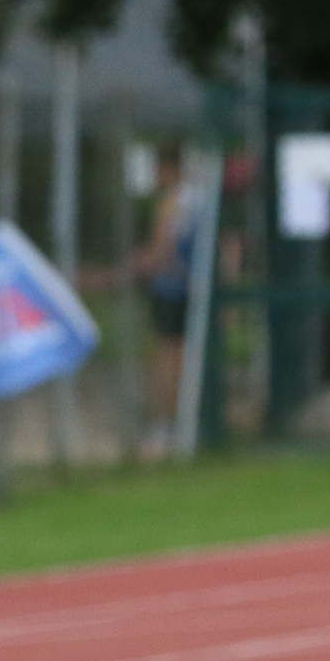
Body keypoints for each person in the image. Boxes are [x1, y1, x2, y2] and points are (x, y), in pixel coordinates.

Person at [136, 145, 201, 460]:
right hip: (193, 288)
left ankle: (164, 427)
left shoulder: (172, 202)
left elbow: (162, 249)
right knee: (185, 356)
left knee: (167, 357)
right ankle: (181, 422)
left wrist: (142, 265)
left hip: (171, 289)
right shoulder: (201, 199)